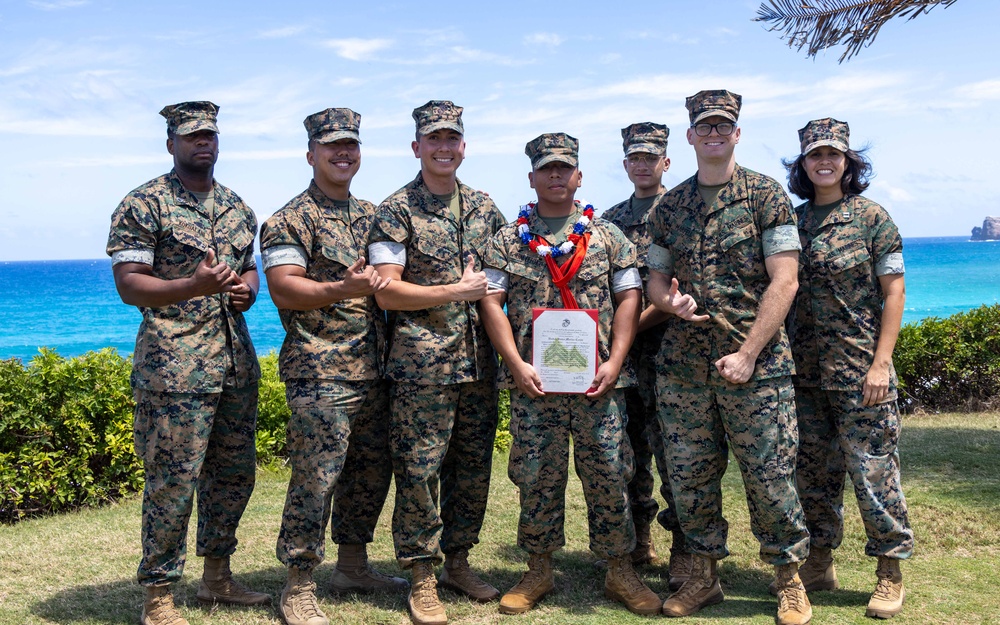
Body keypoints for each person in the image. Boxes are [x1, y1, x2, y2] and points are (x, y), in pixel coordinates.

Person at [645, 90, 812, 625]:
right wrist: (667, 302)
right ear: (690, 136)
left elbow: (785, 281)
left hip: (757, 370)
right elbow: (655, 279)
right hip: (684, 370)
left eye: (723, 125)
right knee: (690, 479)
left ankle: (788, 580)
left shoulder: (765, 196)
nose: (714, 134)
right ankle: (703, 576)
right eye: (705, 126)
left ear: (736, 133)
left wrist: (748, 353)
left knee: (769, 477)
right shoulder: (670, 206)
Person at [480, 132, 662, 617]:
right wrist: (514, 363)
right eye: (547, 168)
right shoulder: (508, 240)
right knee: (536, 473)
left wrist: (616, 360)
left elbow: (630, 298)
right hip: (535, 383)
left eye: (564, 167)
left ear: (579, 176)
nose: (556, 175)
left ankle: (619, 569)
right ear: (532, 177)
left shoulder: (608, 237)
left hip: (598, 382)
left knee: (610, 471)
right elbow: (491, 302)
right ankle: (538, 569)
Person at [106, 101, 270, 625]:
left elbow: (249, 269)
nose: (203, 142)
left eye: (210, 135)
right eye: (192, 135)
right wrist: (191, 286)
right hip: (174, 369)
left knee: (233, 477)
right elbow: (130, 285)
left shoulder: (237, 207)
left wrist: (248, 291)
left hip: (234, 365)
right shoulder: (144, 203)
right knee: (172, 484)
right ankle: (158, 595)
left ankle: (217, 578)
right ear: (171, 143)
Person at [259, 108, 408, 625]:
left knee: (370, 473)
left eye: (351, 145)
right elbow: (284, 288)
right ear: (311, 154)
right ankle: (299, 584)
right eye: (332, 146)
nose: (343, 153)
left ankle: (351, 567)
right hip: (319, 370)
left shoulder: (375, 214)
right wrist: (341, 288)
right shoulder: (288, 219)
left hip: (376, 367)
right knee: (316, 479)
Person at [367, 100, 505, 625]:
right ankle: (422, 574)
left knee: (471, 469)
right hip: (421, 368)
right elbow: (386, 292)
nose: (443, 147)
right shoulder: (396, 210)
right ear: (416, 147)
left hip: (478, 365)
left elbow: (501, 282)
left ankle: (458, 563)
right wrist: (455, 291)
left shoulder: (485, 208)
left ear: (463, 146)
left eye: (452, 138)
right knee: (419, 471)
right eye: (434, 139)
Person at [781, 117, 913, 619]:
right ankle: (819, 563)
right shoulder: (791, 222)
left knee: (874, 474)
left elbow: (894, 293)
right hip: (804, 375)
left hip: (861, 374)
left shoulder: (872, 218)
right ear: (803, 164)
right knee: (812, 476)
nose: (825, 162)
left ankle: (889, 572)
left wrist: (882, 363)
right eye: (815, 155)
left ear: (848, 161)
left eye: (833, 154)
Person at [601, 122, 690, 589]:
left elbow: (680, 288)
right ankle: (638, 539)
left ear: (666, 162)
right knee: (627, 451)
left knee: (676, 453)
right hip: (623, 358)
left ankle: (683, 549)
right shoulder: (608, 220)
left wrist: (628, 328)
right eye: (635, 158)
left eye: (650, 158)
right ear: (625, 164)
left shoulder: (681, 211)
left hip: (672, 355)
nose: (642, 165)